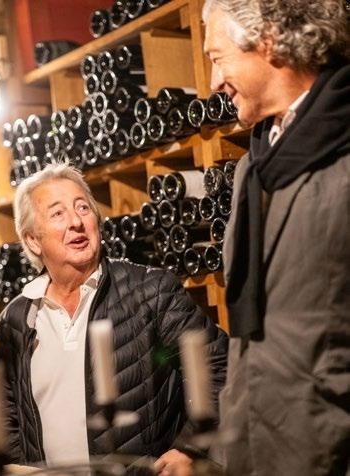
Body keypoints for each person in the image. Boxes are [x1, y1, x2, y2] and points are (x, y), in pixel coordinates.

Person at [0, 163, 228, 468]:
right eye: (58, 213)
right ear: (33, 240)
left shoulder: (151, 292)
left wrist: (189, 449)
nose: (76, 221)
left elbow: (219, 365)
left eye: (83, 208)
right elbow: (5, 418)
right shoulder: (14, 322)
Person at [202, 0, 350, 474]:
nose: (213, 82)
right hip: (259, 448)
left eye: (218, 58)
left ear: (267, 40)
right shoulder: (254, 167)